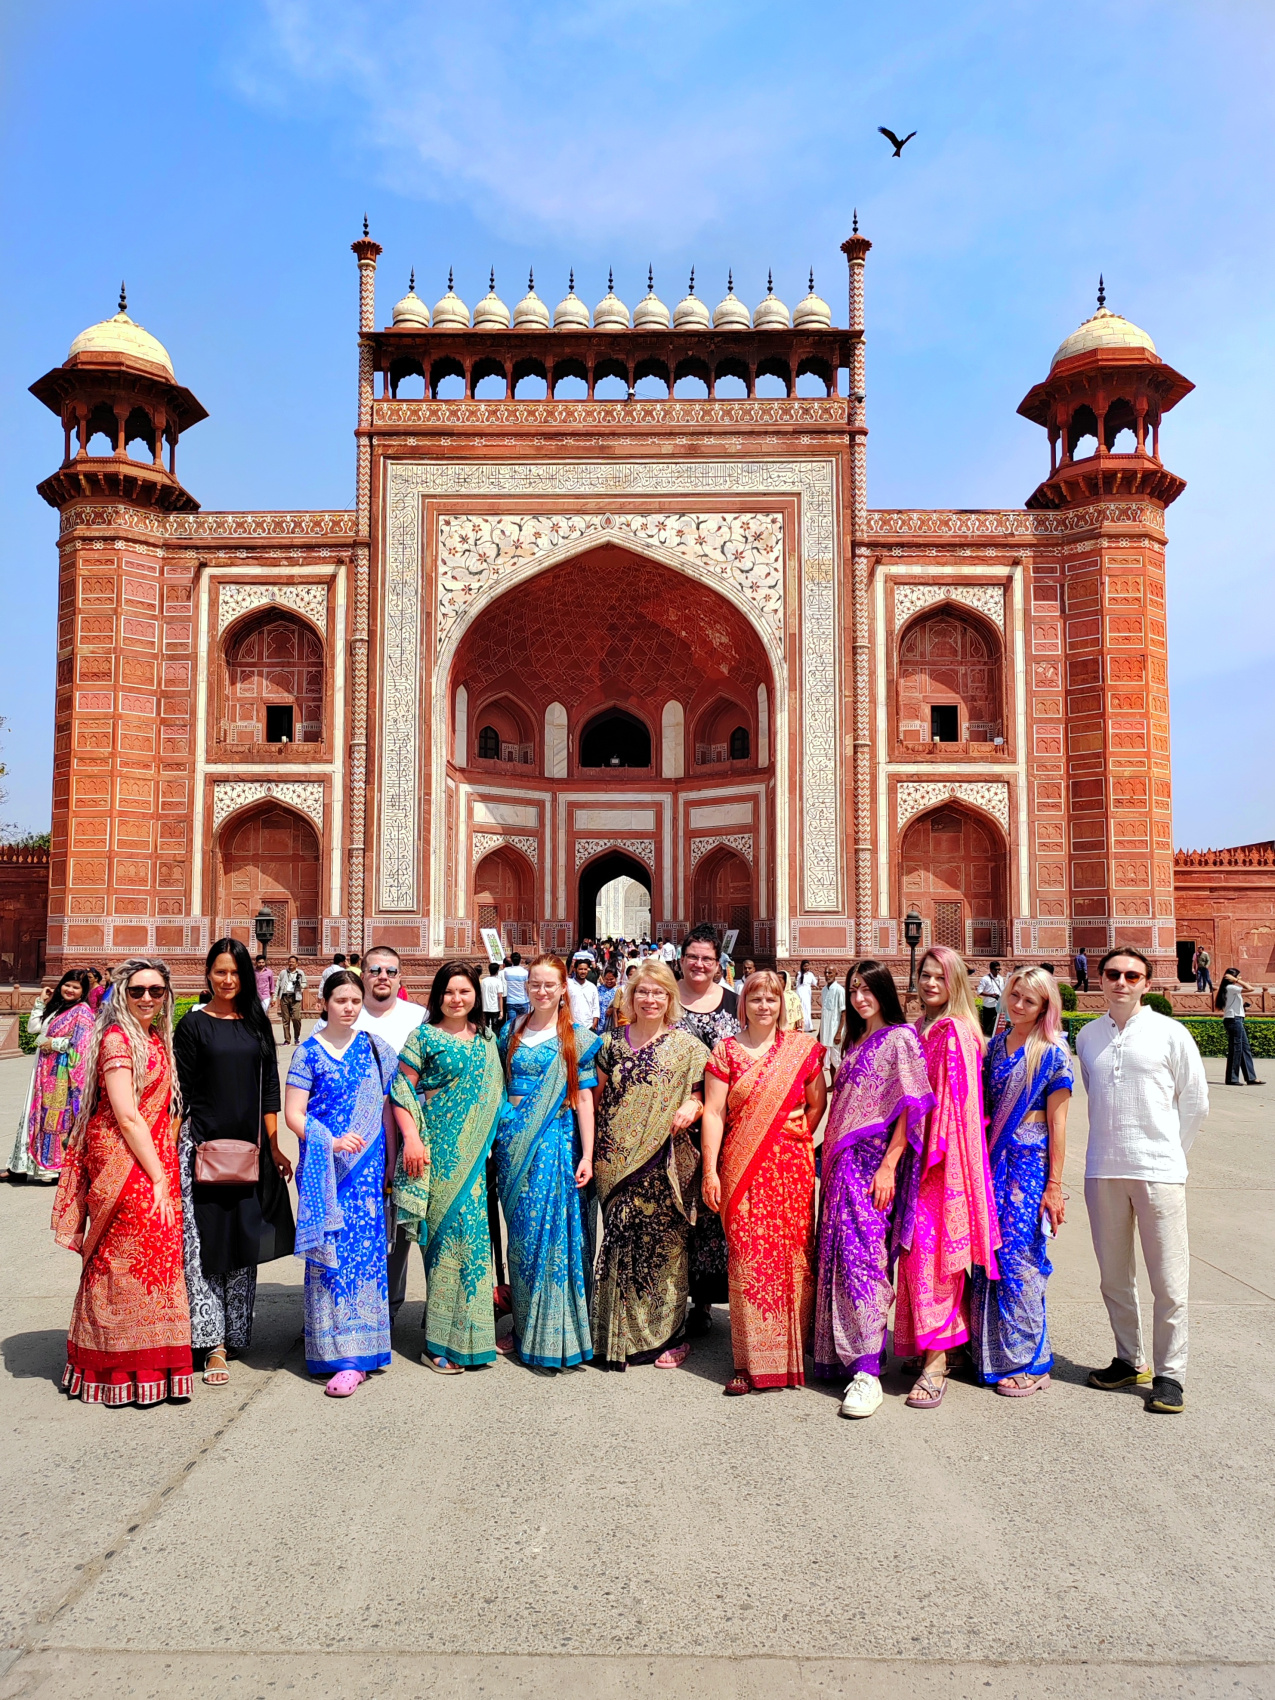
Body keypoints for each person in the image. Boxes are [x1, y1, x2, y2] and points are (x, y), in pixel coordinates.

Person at [52, 958, 193, 1405]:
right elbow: (127, 1116)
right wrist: (157, 1177)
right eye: (137, 991)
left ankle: (153, 1366)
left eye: (155, 990)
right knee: (121, 1261)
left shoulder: (154, 1037)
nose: (147, 998)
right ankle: (113, 1370)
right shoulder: (118, 1039)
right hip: (126, 1161)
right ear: (121, 995)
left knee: (157, 1260)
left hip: (152, 1159)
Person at [1078, 947, 1209, 1414]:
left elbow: (1194, 1101)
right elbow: (1096, 1094)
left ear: (1146, 983)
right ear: (1101, 979)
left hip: (1159, 1171)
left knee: (1169, 1281)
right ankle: (1129, 1359)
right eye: (1113, 974)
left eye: (1132, 975)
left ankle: (1170, 1373)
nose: (1121, 982)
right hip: (1103, 1167)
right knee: (1114, 1276)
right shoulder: (1089, 1036)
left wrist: (1172, 1154)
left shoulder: (1170, 1033)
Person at [174, 939, 296, 1387]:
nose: (227, 980)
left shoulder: (256, 1024)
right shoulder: (192, 1025)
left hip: (249, 1149)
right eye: (220, 971)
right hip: (202, 1147)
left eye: (235, 972)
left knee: (243, 1242)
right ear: (208, 973)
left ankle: (235, 1332)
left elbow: (268, 1088)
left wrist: (274, 1145)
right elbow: (180, 1093)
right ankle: (211, 1343)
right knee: (205, 1244)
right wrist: (174, 1149)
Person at [814, 961, 933, 1418]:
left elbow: (909, 1108)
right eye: (854, 990)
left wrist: (889, 1165)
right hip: (842, 1165)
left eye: (868, 989)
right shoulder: (856, 1039)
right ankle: (851, 1351)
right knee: (843, 1255)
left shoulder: (900, 1039)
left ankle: (868, 1373)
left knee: (865, 1260)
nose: (861, 997)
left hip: (872, 1167)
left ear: (884, 991)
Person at [701, 970, 826, 1395]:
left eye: (771, 999)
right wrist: (711, 1169)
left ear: (782, 1004)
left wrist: (787, 1136)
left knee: (790, 1260)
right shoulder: (726, 1052)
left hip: (790, 1171)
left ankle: (790, 1357)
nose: (764, 1007)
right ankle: (747, 1362)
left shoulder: (800, 1051)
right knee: (747, 1260)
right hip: (741, 1167)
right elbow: (714, 1113)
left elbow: (815, 1104)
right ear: (743, 1004)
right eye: (755, 999)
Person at [892, 945, 1001, 1410]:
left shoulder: (954, 1031)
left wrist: (933, 1150)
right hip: (917, 1157)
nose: (931, 983)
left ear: (954, 982)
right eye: (925, 975)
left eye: (940, 976)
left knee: (931, 1257)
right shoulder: (922, 1027)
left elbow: (954, 1107)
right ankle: (937, 1344)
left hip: (941, 1158)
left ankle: (937, 1360)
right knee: (917, 1254)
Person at [591, 959, 709, 1371]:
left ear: (670, 999)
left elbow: (703, 1096)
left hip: (666, 1160)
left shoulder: (688, 1047)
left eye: (659, 992)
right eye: (643, 991)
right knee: (622, 1244)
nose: (650, 999)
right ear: (631, 996)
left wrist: (692, 1106)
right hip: (615, 1161)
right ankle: (615, 1333)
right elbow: (597, 1099)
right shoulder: (609, 1045)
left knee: (665, 1249)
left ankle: (669, 1335)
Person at [284, 970, 396, 1396]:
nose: (349, 1007)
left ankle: (359, 1355)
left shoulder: (374, 1049)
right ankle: (329, 1348)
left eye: (355, 1000)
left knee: (364, 1254)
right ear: (324, 1002)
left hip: (366, 1170)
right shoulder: (308, 1053)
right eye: (341, 1000)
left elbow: (388, 1108)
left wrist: (388, 1165)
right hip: (325, 1169)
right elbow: (295, 1113)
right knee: (329, 1254)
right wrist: (328, 1140)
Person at [390, 961, 504, 1372]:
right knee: (440, 1246)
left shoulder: (487, 1039)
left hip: (475, 1162)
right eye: (449, 992)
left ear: (477, 995)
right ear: (438, 995)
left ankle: (471, 1339)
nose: (457, 999)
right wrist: (413, 1139)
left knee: (473, 1248)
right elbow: (401, 1089)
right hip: (435, 1157)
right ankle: (437, 1343)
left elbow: (497, 1093)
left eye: (465, 991)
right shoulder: (423, 1036)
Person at [969, 967, 1072, 1396]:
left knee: (1020, 1256)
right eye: (1014, 996)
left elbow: (1059, 1123)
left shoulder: (1052, 1053)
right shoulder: (995, 1047)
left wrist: (1054, 1184)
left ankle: (1030, 1357)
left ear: (1045, 1006)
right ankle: (986, 1352)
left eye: (1029, 1000)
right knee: (987, 1253)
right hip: (993, 1159)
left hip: (1029, 1163)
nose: (1017, 1005)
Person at [495, 956, 602, 1369]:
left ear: (563, 989)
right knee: (521, 1239)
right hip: (513, 1146)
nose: (541, 991)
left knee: (554, 1237)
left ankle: (557, 1329)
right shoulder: (511, 1031)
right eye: (534, 984)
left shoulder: (577, 1038)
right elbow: (498, 1088)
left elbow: (585, 1101)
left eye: (549, 985)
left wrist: (588, 1154)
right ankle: (523, 1324)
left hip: (557, 1143)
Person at [353, 945, 428, 1326]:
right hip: (353, 1138)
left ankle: (389, 1307)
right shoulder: (345, 1010)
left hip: (406, 1129)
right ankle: (349, 1300)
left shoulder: (419, 1018)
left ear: (401, 978)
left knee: (398, 1220)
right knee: (353, 1220)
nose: (382, 976)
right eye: (375, 970)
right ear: (362, 973)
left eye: (390, 971)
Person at [7, 969, 94, 1182]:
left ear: (83, 992)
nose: (70, 990)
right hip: (42, 1070)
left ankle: (53, 1168)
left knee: (53, 1120)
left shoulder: (82, 1012)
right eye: (67, 984)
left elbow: (84, 1045)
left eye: (76, 987)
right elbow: (33, 1028)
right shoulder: (58, 1008)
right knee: (34, 1114)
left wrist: (54, 1043)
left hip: (61, 1075)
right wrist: (40, 1002)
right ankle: (24, 1165)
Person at [1217, 967, 1264, 1086]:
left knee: (1244, 1048)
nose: (1240, 978)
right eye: (1238, 976)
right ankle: (1232, 1078)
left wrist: (1243, 1008)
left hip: (1236, 1019)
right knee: (1236, 1049)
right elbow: (1251, 988)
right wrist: (1236, 980)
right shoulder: (1230, 987)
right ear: (1231, 977)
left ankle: (1251, 1077)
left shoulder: (1230, 988)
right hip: (1233, 1020)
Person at [819, 964, 845, 1081]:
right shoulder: (824, 990)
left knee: (837, 1060)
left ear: (836, 974)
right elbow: (824, 1012)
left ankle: (842, 1084)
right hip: (826, 1030)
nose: (827, 975)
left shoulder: (839, 990)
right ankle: (833, 1084)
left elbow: (844, 1012)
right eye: (826, 973)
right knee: (828, 1059)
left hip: (835, 1030)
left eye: (830, 973)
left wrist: (839, 1032)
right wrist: (820, 1031)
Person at [276, 955, 307, 1044]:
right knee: (285, 1019)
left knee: (296, 1018)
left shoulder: (300, 973)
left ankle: (297, 1037)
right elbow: (278, 985)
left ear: (297, 964)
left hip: (295, 997)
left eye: (293, 962)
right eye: (290, 962)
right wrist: (275, 997)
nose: (291, 963)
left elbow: (305, 983)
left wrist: (300, 985)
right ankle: (287, 1039)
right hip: (285, 996)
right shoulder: (283, 973)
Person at [567, 955, 601, 1032]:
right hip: (571, 1025)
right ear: (575, 970)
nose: (583, 972)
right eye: (580, 969)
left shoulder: (592, 987)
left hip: (588, 1027)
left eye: (585, 969)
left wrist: (594, 1024)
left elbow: (596, 1007)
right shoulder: (568, 984)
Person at [976, 960, 1005, 1039]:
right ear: (991, 969)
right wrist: (991, 995)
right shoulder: (985, 979)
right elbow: (979, 992)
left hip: (999, 1004)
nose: (997, 971)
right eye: (996, 969)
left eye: (999, 969)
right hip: (989, 1005)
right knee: (987, 1023)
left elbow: (1003, 990)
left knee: (999, 1023)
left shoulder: (1001, 978)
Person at [480, 958, 506, 1029]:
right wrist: (501, 1011)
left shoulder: (484, 981)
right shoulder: (498, 981)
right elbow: (500, 996)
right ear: (497, 971)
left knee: (486, 1027)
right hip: (495, 1008)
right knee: (496, 1028)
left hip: (485, 1008)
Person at [504, 952, 530, 1019]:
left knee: (512, 1025)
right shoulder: (525, 972)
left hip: (511, 1001)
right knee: (523, 1025)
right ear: (520, 960)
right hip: (523, 1001)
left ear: (511, 960)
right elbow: (527, 987)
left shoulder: (506, 971)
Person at [795, 960, 817, 1032]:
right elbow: (796, 984)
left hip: (807, 991)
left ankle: (809, 1027)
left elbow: (815, 983)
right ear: (802, 966)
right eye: (805, 966)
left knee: (808, 1008)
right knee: (802, 1008)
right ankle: (801, 1026)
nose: (806, 967)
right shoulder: (799, 974)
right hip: (800, 991)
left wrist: (819, 980)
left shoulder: (810, 974)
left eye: (807, 966)